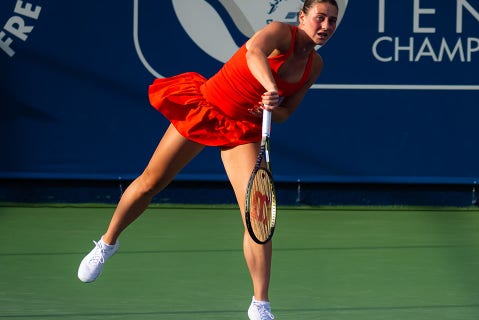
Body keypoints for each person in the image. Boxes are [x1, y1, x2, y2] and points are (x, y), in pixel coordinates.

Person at [77, 1, 339, 319]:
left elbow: (286, 113)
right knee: (150, 183)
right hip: (208, 106)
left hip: (243, 130)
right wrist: (271, 86)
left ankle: (260, 304)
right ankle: (107, 243)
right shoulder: (280, 33)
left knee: (257, 216)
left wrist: (271, 108)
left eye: (332, 21)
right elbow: (254, 51)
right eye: (319, 18)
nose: (325, 26)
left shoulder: (315, 66)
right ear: (302, 17)